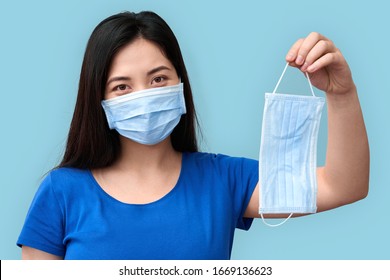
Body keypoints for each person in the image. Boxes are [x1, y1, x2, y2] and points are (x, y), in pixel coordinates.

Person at [17, 11, 369, 260]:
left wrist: (341, 93)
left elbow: (344, 185)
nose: (145, 96)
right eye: (122, 86)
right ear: (100, 100)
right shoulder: (61, 192)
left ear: (180, 84)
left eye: (158, 79)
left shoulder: (224, 181)